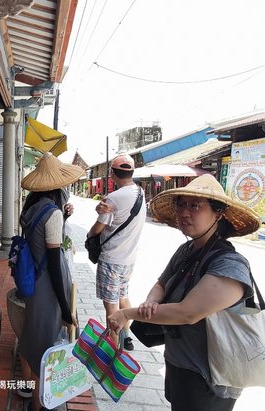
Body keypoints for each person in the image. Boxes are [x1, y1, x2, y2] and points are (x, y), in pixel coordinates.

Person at [108, 174, 260, 411]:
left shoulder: (230, 265)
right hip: (179, 363)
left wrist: (127, 313)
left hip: (209, 379)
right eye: (181, 204)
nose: (185, 212)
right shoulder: (187, 249)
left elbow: (187, 313)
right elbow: (162, 283)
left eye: (195, 206)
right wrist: (150, 301)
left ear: (218, 213)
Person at [17, 152, 83, 411]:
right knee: (46, 348)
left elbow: (38, 242)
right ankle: (39, 405)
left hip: (33, 280)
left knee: (33, 336)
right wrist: (66, 310)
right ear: (58, 185)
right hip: (48, 286)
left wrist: (62, 218)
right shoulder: (52, 212)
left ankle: (32, 395)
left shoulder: (31, 208)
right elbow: (55, 265)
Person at [86, 154, 146, 350]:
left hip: (111, 259)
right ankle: (126, 336)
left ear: (112, 174)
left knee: (111, 306)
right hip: (129, 260)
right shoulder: (140, 192)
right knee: (123, 296)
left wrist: (89, 235)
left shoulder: (112, 198)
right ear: (131, 172)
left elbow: (98, 228)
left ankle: (113, 349)